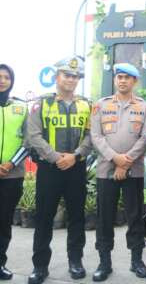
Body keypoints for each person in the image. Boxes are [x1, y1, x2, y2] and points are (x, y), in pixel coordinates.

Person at [26, 56, 93, 284]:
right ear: (57, 77)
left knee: (77, 217)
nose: (71, 79)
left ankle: (76, 262)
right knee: (44, 218)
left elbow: (91, 136)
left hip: (76, 167)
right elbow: (34, 136)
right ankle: (40, 267)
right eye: (67, 75)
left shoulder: (86, 105)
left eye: (75, 76)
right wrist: (56, 158)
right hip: (49, 169)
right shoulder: (41, 104)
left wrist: (75, 156)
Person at [90, 63, 146, 281]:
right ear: (115, 80)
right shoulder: (101, 105)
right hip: (106, 171)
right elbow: (96, 136)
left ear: (135, 81)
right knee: (104, 218)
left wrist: (125, 163)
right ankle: (104, 263)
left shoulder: (144, 107)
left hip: (134, 172)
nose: (122, 80)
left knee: (135, 217)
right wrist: (116, 159)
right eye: (119, 77)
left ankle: (137, 261)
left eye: (127, 77)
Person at [0, 64, 28, 280]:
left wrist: (10, 163)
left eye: (6, 77)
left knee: (3, 222)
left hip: (12, 175)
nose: (2, 81)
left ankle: (0, 263)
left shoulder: (21, 107)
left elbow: (28, 140)